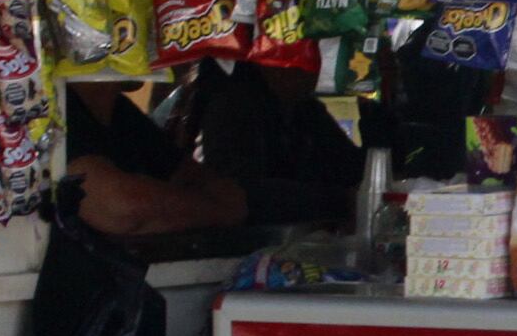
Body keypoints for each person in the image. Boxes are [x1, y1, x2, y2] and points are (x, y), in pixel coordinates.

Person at [62, 63, 368, 238]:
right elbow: (123, 209)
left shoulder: (121, 115)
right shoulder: (54, 112)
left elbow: (203, 180)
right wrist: (219, 208)